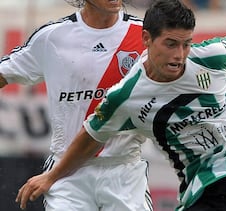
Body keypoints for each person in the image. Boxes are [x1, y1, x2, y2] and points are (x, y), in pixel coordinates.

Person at [16, 0, 226, 210]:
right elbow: (90, 134)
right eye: (172, 45)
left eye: (185, 44)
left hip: (134, 171)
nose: (180, 54)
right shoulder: (123, 93)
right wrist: (52, 176)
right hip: (197, 189)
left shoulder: (196, 50)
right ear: (149, 40)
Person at [0, 0, 153, 210]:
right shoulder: (52, 37)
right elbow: (5, 73)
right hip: (67, 174)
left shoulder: (146, 33)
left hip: (124, 170)